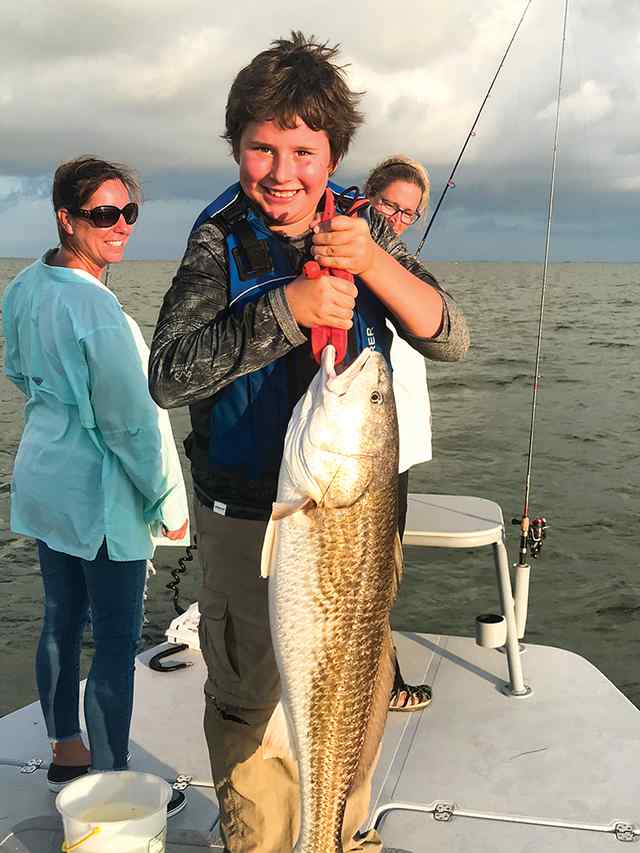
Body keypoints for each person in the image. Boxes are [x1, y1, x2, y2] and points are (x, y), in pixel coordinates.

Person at [149, 33, 469, 853]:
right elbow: (169, 374)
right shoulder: (219, 238)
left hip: (357, 511)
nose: (282, 172)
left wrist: (377, 266)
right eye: (263, 148)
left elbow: (450, 335)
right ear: (236, 148)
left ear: (334, 155)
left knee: (353, 681)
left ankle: (337, 833)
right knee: (248, 698)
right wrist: (288, 307)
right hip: (247, 513)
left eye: (304, 152)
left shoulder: (365, 226)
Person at [2, 156, 189, 816]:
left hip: (45, 479)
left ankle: (67, 752)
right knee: (113, 637)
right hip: (100, 496)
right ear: (67, 217)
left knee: (60, 617)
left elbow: (17, 369)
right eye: (104, 213)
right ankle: (112, 780)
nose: (121, 226)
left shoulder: (26, 283)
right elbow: (132, 425)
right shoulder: (100, 312)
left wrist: (60, 413)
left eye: (129, 212)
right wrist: (168, 501)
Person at [364, 155, 435, 712]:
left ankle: (378, 674)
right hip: (364, 450)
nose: (395, 217)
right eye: (387, 204)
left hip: (399, 447)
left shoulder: (406, 274)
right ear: (367, 196)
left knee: (382, 569)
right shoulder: (355, 263)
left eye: (407, 212)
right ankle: (382, 680)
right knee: (361, 571)